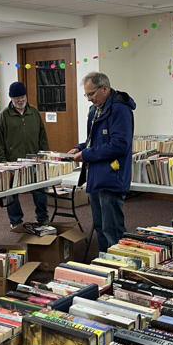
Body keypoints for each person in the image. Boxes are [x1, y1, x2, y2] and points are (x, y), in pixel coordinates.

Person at [68, 72, 135, 252]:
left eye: (91, 94)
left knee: (112, 229)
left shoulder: (120, 109)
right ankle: (104, 263)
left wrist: (86, 154)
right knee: (99, 226)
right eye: (86, 95)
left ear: (104, 89)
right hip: (96, 176)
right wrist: (80, 148)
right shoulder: (94, 110)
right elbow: (94, 141)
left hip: (112, 177)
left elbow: (119, 145)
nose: (89, 99)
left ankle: (118, 265)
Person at [0, 81, 50, 231]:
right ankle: (16, 221)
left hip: (34, 160)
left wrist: (45, 155)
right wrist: (1, 162)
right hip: (12, 162)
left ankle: (43, 218)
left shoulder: (34, 113)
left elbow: (42, 137)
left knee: (40, 191)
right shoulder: (4, 116)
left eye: (22, 96)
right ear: (11, 98)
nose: (20, 100)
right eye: (17, 97)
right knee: (12, 194)